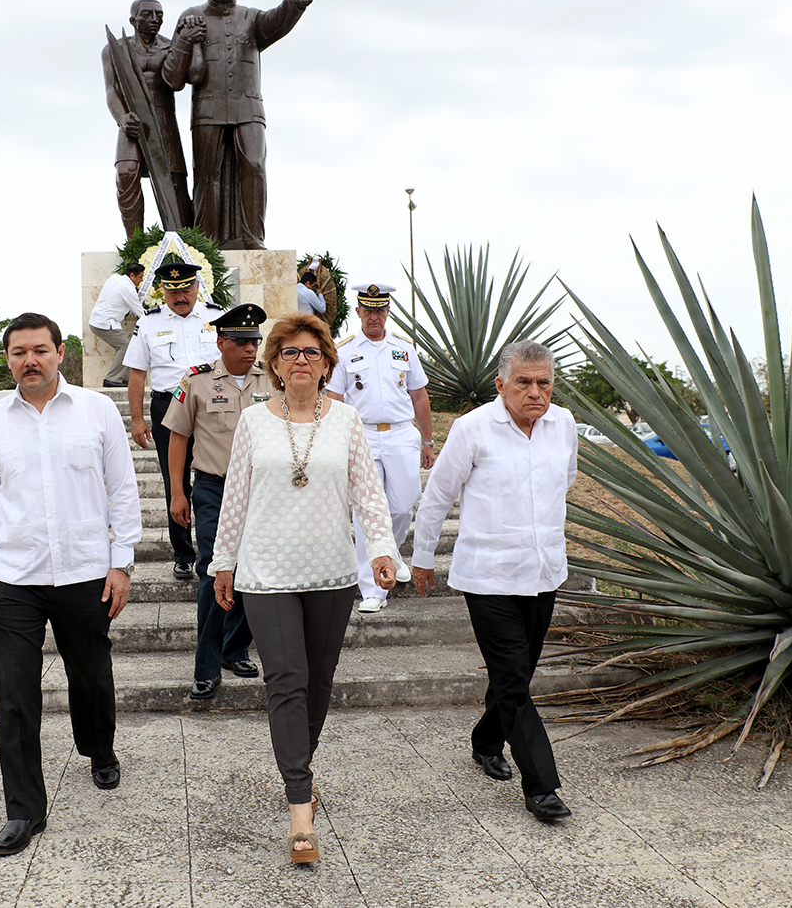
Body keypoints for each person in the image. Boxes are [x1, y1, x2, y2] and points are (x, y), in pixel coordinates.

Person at [210, 312, 398, 864]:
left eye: (311, 352)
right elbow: (236, 496)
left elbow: (366, 490)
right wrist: (224, 562)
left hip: (331, 572)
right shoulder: (251, 422)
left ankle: (300, 769)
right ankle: (299, 804)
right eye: (289, 352)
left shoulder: (346, 420)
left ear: (326, 364)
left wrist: (382, 548)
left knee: (317, 683)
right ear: (273, 363)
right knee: (286, 681)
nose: (300, 361)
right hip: (266, 573)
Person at [0, 312, 142, 856]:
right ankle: (24, 810)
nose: (30, 361)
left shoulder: (95, 412)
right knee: (15, 696)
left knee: (90, 675)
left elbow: (122, 490)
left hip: (83, 572)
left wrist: (122, 563)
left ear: (60, 351)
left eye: (39, 350)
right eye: (19, 352)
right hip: (14, 579)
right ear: (8, 358)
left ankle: (99, 749)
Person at [411, 340, 577, 824]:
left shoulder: (563, 425)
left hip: (544, 571)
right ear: (501, 383)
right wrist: (423, 559)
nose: (535, 392)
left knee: (516, 676)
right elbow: (438, 496)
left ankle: (486, 740)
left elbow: (564, 481)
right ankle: (542, 786)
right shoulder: (472, 429)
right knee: (512, 677)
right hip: (489, 576)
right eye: (523, 382)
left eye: (543, 382)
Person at [162, 302, 274, 701]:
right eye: (242, 341)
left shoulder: (272, 381)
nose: (250, 349)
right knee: (213, 571)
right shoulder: (197, 382)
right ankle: (206, 667)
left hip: (263, 491)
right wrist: (178, 492)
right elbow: (178, 437)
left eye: (255, 341)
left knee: (252, 571)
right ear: (221, 341)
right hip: (214, 488)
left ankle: (234, 648)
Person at [165, 0, 314, 249]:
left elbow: (277, 20)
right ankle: (206, 243)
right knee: (207, 176)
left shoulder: (251, 18)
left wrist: (295, 2)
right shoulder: (191, 15)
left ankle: (252, 237)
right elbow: (173, 77)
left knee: (254, 166)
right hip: (208, 109)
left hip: (248, 108)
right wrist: (185, 38)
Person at [325, 282, 435, 612]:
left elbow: (419, 396)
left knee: (403, 504)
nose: (374, 316)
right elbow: (334, 399)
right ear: (358, 311)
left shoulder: (405, 350)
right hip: (362, 435)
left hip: (402, 434)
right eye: (368, 310)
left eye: (380, 310)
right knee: (365, 512)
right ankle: (372, 589)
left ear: (387, 311)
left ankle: (390, 550)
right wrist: (336, 442)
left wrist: (428, 441)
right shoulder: (343, 351)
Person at [124, 261, 224, 579]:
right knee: (175, 483)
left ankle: (219, 550)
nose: (180, 295)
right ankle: (183, 553)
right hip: (168, 407)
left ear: (197, 287)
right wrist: (138, 420)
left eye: (186, 288)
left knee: (217, 477)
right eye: (173, 290)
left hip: (212, 407)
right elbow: (137, 374)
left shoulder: (216, 317)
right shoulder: (149, 323)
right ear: (162, 291)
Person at [102, 0, 200, 235]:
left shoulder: (169, 47)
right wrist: (123, 119)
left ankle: (182, 239)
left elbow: (185, 78)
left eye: (159, 14)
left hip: (164, 121)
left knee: (175, 183)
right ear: (133, 20)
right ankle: (134, 241)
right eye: (147, 14)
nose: (155, 19)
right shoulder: (115, 49)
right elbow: (112, 90)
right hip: (132, 123)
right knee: (126, 173)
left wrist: (190, 40)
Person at [89, 262, 146, 388]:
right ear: (132, 276)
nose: (141, 281)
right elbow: (140, 312)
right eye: (140, 277)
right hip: (104, 323)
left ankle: (124, 379)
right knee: (125, 347)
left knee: (126, 346)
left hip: (97, 321)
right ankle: (112, 379)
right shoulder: (128, 289)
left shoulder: (114, 278)